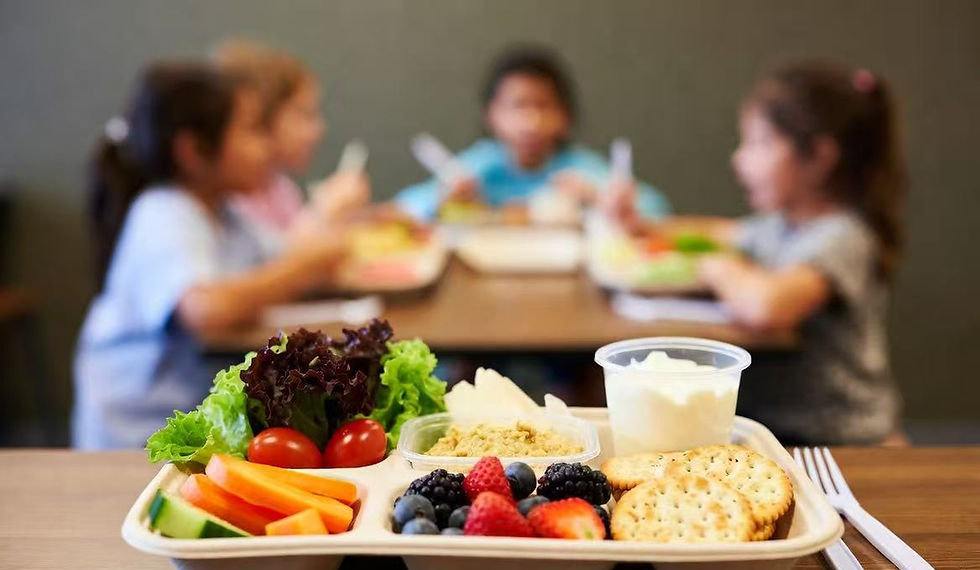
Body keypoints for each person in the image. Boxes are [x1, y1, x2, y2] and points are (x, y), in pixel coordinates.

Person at [73, 63, 349, 450]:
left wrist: (319, 251)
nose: (267, 147)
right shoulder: (163, 212)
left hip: (198, 425)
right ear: (192, 150)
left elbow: (285, 253)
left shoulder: (224, 211)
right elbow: (206, 309)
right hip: (139, 443)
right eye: (252, 131)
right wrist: (303, 267)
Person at [631, 61, 906, 445]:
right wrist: (640, 224)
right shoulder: (780, 225)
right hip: (780, 428)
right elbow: (714, 232)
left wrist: (717, 268)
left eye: (759, 143)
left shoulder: (844, 237)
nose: (739, 159)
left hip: (843, 440)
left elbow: (768, 306)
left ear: (819, 157)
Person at [394, 46, 670, 222]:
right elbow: (405, 207)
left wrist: (602, 198)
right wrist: (443, 197)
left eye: (544, 106)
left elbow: (657, 209)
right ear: (491, 115)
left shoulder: (581, 168)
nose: (531, 122)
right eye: (517, 106)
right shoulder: (479, 166)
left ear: (565, 115)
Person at [213, 40, 370, 239]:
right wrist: (323, 211)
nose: (319, 130)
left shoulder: (281, 189)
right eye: (305, 115)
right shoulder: (231, 199)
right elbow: (277, 257)